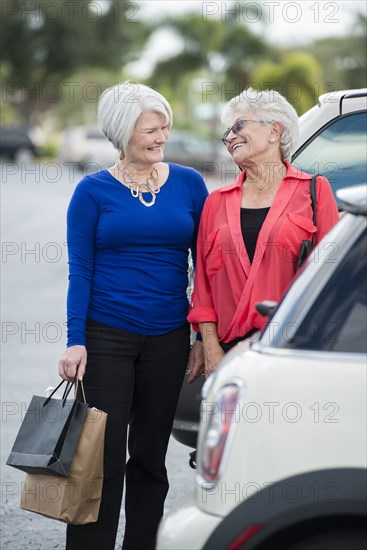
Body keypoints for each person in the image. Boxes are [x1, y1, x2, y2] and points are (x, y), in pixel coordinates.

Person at [58, 82, 208, 550]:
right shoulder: (92, 191)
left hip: (168, 337)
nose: (162, 136)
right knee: (97, 460)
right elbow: (80, 270)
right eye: (150, 129)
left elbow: (205, 265)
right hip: (106, 337)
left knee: (149, 458)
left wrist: (204, 335)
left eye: (165, 127)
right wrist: (74, 339)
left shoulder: (189, 183)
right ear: (123, 132)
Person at [187, 87, 339, 379]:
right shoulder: (215, 202)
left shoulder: (315, 192)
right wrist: (210, 347)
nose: (230, 137)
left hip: (290, 349)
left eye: (239, 126)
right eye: (226, 133)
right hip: (226, 352)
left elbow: (330, 279)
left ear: (274, 130)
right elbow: (203, 287)